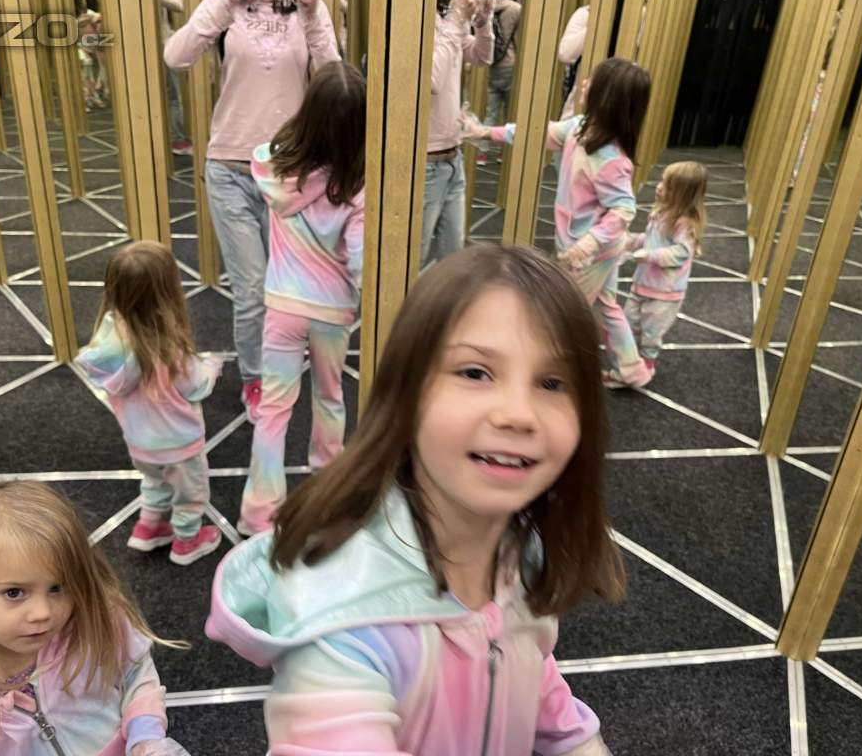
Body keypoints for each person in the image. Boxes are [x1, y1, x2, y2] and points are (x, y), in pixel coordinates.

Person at [207, 245, 622, 755]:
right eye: (475, 372)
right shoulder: (345, 629)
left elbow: (534, 681)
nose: (518, 413)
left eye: (552, 383)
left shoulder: (521, 559)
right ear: (407, 392)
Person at [0, 481, 189, 756]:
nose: (43, 613)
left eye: (58, 587)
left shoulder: (95, 620)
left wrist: (146, 737)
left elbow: (135, 674)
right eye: (14, 593)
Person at [164, 0, 340, 424]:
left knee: (288, 287)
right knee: (252, 289)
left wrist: (313, 10)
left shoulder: (307, 8)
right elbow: (176, 56)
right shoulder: (226, 3)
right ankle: (256, 377)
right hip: (229, 169)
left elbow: (332, 77)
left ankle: (281, 361)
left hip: (288, 174)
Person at [468, 57, 653, 388]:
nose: (583, 83)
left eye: (591, 81)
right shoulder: (580, 127)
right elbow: (536, 134)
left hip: (591, 252)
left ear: (606, 96)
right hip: (586, 245)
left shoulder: (611, 159)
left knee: (562, 310)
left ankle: (551, 373)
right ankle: (631, 368)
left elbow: (624, 209)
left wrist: (588, 245)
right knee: (606, 306)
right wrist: (485, 132)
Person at [237, 61, 366, 536]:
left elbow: (263, 153)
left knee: (274, 410)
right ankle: (327, 491)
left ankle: (259, 513)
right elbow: (361, 261)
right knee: (330, 399)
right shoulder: (359, 185)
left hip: (283, 306)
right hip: (332, 311)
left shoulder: (272, 164)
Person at [76, 241, 225, 566]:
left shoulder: (110, 341)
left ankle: (149, 526)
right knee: (191, 494)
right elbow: (197, 386)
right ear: (167, 293)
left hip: (140, 444)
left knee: (155, 481)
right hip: (179, 445)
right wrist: (213, 366)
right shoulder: (168, 349)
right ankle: (187, 541)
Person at [422, 0, 495, 269]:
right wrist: (455, 18)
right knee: (411, 260)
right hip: (424, 162)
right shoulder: (413, 17)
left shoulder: (445, 17)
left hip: (453, 158)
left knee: (454, 259)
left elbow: (482, 56)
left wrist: (483, 21)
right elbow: (432, 80)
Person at [624, 161, 707, 376]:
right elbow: (651, 239)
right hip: (642, 284)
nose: (659, 187)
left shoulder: (684, 224)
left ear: (682, 195)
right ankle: (630, 360)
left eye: (668, 186)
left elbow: (680, 253)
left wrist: (649, 256)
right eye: (661, 182)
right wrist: (631, 241)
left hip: (664, 293)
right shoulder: (660, 213)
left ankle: (646, 365)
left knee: (651, 332)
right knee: (628, 322)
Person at [477, 0, 521, 166]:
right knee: (510, 112)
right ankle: (504, 153)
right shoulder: (516, 8)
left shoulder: (491, 6)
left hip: (493, 62)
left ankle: (482, 153)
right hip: (510, 63)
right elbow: (519, 38)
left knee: (491, 112)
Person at [159, 0, 193, 155]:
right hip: (163, 49)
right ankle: (179, 140)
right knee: (174, 97)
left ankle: (165, 139)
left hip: (150, 50)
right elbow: (179, 6)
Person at [558, 0, 589, 121]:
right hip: (578, 101)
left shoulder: (636, 15)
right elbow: (565, 53)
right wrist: (597, 21)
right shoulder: (585, 14)